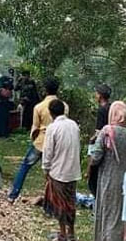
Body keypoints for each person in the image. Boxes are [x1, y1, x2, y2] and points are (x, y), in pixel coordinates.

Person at [8, 77, 69, 203]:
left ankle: (13, 194)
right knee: (53, 171)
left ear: (44, 90)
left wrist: (33, 139)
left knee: (25, 166)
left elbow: (35, 128)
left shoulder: (39, 107)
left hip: (41, 142)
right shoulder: (64, 106)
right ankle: (53, 198)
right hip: (57, 143)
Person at [90, 101, 126, 241]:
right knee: (121, 214)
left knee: (107, 213)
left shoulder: (107, 131)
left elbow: (96, 156)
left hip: (108, 179)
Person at [42, 100, 81, 241]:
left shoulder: (53, 128)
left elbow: (48, 151)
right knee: (71, 203)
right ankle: (71, 232)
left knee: (60, 205)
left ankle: (62, 233)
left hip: (58, 172)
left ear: (51, 113)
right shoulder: (74, 125)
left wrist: (46, 169)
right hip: (73, 171)